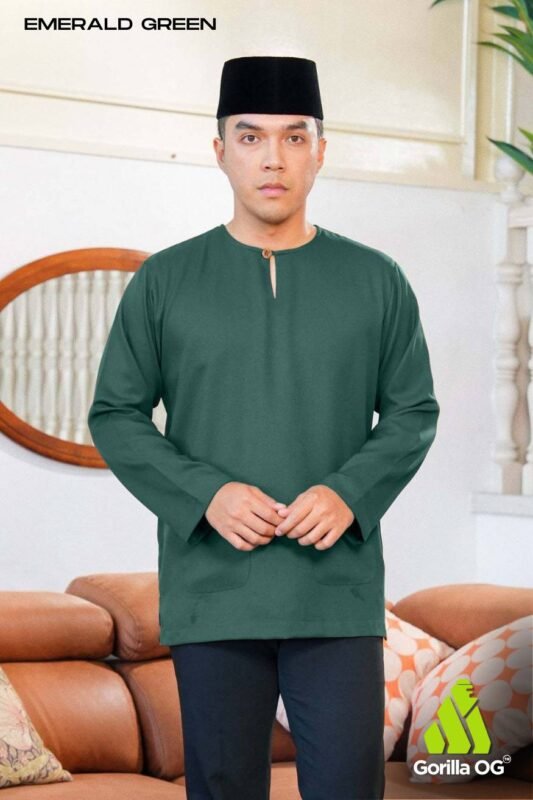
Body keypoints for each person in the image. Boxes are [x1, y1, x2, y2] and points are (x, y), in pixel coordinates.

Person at [87, 55, 440, 800]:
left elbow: (413, 411)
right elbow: (116, 414)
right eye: (250, 138)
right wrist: (206, 495)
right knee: (223, 788)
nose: (272, 158)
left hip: (335, 592)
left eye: (293, 137)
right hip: (213, 589)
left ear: (320, 150)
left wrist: (348, 493)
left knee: (348, 786)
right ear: (220, 151)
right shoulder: (165, 280)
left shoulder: (376, 279)